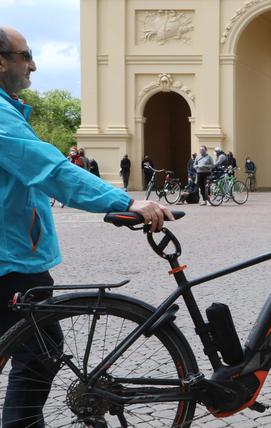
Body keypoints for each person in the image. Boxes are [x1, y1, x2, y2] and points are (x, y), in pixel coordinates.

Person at [0, 26, 174, 427]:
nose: (33, 64)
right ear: (1, 61)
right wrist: (126, 201)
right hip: (12, 262)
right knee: (39, 352)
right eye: (25, 55)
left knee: (34, 349)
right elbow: (52, 170)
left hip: (15, 255)